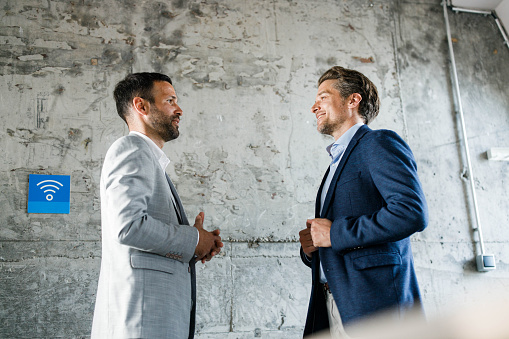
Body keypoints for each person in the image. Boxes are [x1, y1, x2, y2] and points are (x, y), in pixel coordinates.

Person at [299, 66, 428, 338]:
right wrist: (313, 248)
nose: (314, 106)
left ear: (352, 100)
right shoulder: (336, 161)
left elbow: (411, 212)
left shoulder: (377, 143)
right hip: (334, 303)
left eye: (323, 97)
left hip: (374, 307)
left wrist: (335, 233)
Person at [91, 72, 223, 339]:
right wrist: (194, 238)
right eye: (170, 100)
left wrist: (195, 246)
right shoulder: (132, 149)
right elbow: (128, 226)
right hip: (141, 322)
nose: (179, 109)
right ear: (142, 106)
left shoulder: (148, 158)